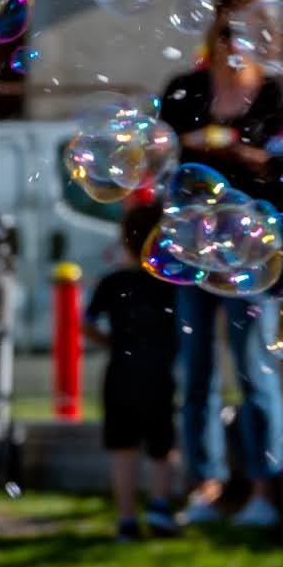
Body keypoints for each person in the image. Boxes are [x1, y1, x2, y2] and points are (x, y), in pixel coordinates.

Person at [156, 0, 283, 526]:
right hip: (192, 243)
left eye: (243, 34)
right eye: (225, 32)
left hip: (251, 249)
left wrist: (244, 154)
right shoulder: (184, 90)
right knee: (195, 372)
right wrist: (193, 146)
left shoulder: (275, 95)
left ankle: (264, 490)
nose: (232, 44)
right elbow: (161, 150)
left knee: (255, 368)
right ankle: (206, 483)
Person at [95, 195, 190, 536]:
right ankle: (160, 509)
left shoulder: (113, 282)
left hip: (119, 374)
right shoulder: (171, 286)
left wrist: (109, 342)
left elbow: (86, 322)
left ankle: (126, 520)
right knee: (162, 448)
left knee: (123, 449)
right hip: (159, 376)